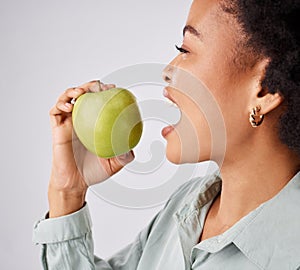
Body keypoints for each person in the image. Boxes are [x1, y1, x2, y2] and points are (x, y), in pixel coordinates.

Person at [33, 0, 300, 269]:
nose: (167, 71)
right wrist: (67, 193)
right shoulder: (184, 208)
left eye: (185, 49)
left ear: (265, 90)